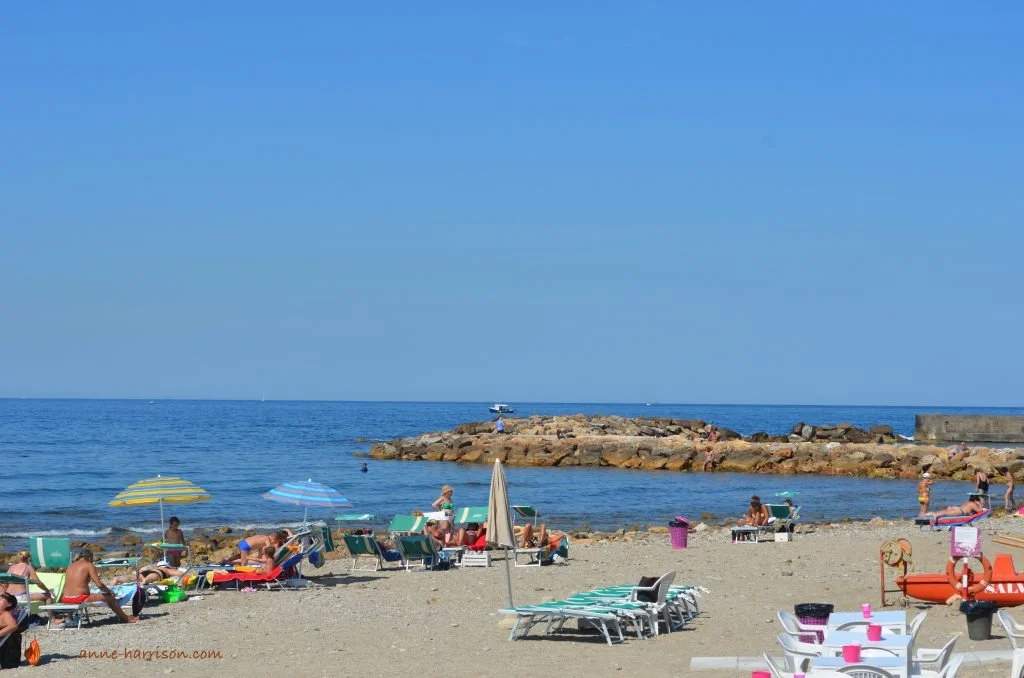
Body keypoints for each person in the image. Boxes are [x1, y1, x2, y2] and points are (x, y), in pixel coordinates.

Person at [62, 549, 137, 623]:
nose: (92, 561)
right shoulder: (88, 565)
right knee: (110, 597)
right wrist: (109, 591)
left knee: (84, 594)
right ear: (89, 557)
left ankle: (70, 618)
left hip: (65, 598)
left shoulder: (71, 566)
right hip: (79, 599)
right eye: (92, 559)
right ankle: (125, 618)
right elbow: (99, 584)